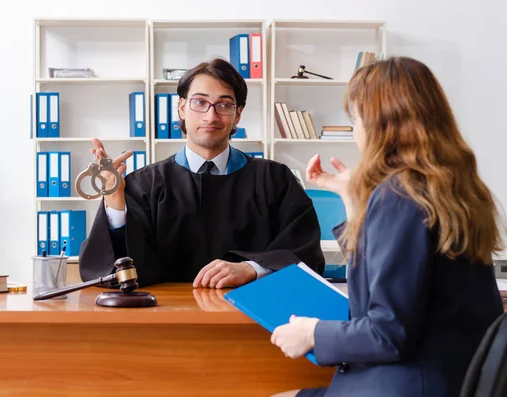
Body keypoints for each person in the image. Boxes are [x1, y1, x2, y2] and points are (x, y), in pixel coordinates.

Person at [270, 56, 505, 397]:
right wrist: (353, 200)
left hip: (407, 384)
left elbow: (387, 332)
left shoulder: (400, 195)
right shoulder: (455, 187)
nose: (355, 132)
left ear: (381, 123)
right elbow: (380, 280)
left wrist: (312, 334)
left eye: (357, 120)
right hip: (450, 378)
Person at [78, 57, 325, 289]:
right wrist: (114, 201)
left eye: (224, 105)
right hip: (167, 319)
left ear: (237, 114)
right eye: (200, 102)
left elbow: (305, 251)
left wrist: (252, 268)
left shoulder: (274, 180)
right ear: (182, 108)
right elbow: (119, 269)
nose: (211, 116)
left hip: (251, 319)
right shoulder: (144, 184)